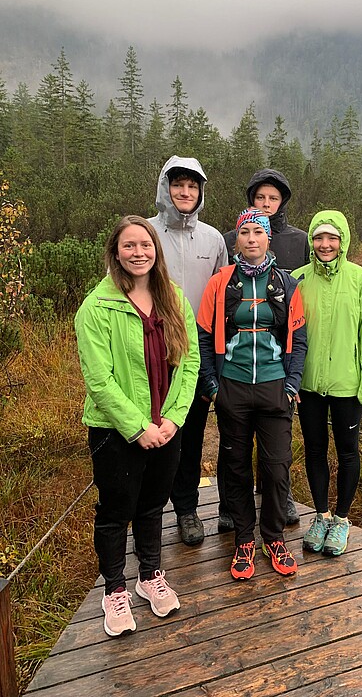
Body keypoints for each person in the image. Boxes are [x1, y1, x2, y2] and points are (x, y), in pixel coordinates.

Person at [75, 216, 200, 637]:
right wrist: (138, 427)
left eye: (145, 245)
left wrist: (173, 418)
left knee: (152, 505)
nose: (138, 252)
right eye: (128, 245)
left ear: (155, 250)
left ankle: (150, 576)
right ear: (115, 252)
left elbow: (190, 363)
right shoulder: (96, 308)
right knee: (115, 512)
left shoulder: (174, 299)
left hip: (166, 428)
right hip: (115, 432)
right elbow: (99, 380)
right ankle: (114, 589)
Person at [197, 208, 307, 580]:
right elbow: (203, 337)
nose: (251, 238)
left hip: (275, 387)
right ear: (237, 240)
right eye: (245, 232)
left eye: (258, 232)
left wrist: (291, 385)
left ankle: (273, 537)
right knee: (236, 467)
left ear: (268, 238)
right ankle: (244, 539)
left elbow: (299, 339)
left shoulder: (287, 284)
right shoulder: (220, 283)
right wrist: (213, 387)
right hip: (233, 386)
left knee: (276, 468)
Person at [222, 168, 309, 528]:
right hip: (237, 367)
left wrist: (292, 379)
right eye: (260, 197)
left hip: (278, 359)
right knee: (234, 450)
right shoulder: (232, 238)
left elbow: (303, 295)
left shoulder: (300, 239)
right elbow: (222, 302)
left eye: (273, 198)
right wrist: (214, 378)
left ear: (282, 201)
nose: (267, 203)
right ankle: (231, 508)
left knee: (277, 450)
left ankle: (280, 499)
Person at [148, 155, 228, 545]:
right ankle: (146, 514)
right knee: (146, 434)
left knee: (191, 436)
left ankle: (186, 510)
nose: (184, 191)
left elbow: (224, 299)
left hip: (194, 357)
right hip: (149, 352)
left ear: (200, 192)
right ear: (165, 187)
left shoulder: (213, 240)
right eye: (178, 184)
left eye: (192, 186)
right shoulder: (146, 233)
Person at [292, 210, 362, 557]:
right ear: (311, 240)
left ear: (343, 241)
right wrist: (290, 380)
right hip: (308, 385)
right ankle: (321, 516)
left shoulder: (360, 279)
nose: (325, 244)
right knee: (314, 450)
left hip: (348, 385)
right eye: (319, 237)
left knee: (347, 452)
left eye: (332, 238)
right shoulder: (298, 279)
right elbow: (289, 335)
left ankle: (341, 519)